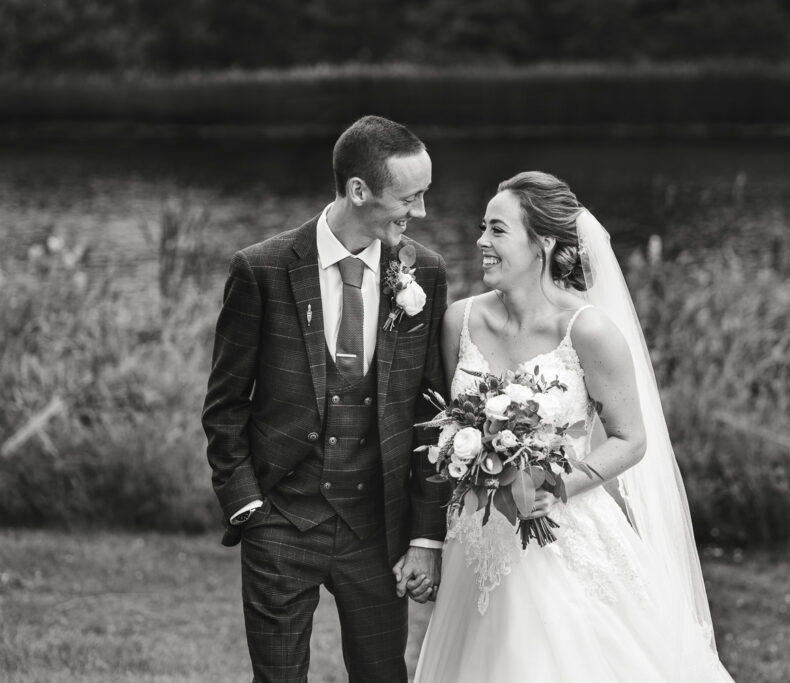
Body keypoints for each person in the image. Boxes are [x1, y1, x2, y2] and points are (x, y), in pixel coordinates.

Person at [414, 171, 734, 682]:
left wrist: (556, 485)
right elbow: (446, 425)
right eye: (482, 228)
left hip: (564, 536)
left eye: (497, 230)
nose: (481, 242)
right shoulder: (460, 321)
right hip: (478, 542)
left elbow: (631, 439)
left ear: (542, 243)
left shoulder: (588, 330)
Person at [202, 115, 449, 683]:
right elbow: (225, 404)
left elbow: (431, 412)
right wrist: (247, 506)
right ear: (359, 190)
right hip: (280, 522)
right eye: (408, 197)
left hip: (378, 528)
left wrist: (424, 536)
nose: (420, 212)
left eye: (424, 194)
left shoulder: (427, 273)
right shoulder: (261, 270)